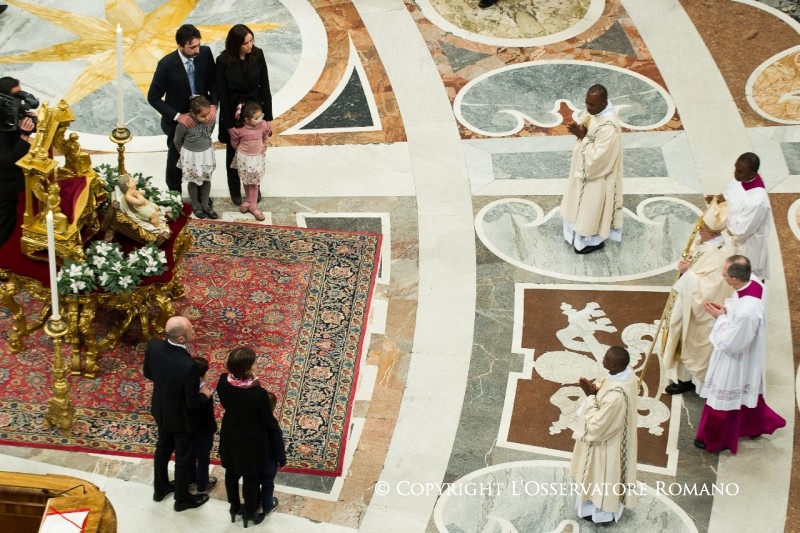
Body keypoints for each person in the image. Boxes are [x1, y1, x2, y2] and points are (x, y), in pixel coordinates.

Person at [694, 255, 785, 453]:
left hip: (735, 360)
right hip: (749, 351)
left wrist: (720, 318)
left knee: (722, 400)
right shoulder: (755, 283)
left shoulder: (746, 311)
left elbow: (731, 343)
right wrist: (727, 310)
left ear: (735, 279)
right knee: (746, 393)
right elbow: (740, 314)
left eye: (725, 275)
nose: (723, 277)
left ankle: (715, 440)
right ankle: (753, 426)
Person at [143, 316, 214, 512]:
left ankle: (160, 489)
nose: (194, 332)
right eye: (191, 330)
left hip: (161, 409)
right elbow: (192, 403)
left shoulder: (153, 345)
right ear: (181, 338)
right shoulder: (188, 365)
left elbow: (148, 373)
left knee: (163, 449)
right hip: (181, 419)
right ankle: (182, 500)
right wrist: (205, 395)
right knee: (184, 458)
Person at [662, 209, 736, 394]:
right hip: (686, 298)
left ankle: (690, 380)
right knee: (680, 334)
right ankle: (683, 376)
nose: (698, 231)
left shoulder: (721, 255)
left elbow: (709, 288)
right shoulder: (705, 242)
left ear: (713, 233)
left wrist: (687, 273)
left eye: (702, 229)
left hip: (701, 310)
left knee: (692, 341)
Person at [570, 346, 638, 526]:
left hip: (608, 444)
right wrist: (597, 390)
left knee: (602, 477)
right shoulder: (626, 375)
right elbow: (606, 390)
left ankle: (603, 515)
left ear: (613, 366)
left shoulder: (617, 396)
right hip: (614, 432)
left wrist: (590, 396)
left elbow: (596, 426)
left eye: (606, 359)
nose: (603, 360)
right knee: (599, 476)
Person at [217, 346, 284, 527]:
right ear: (246, 368)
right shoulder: (257, 394)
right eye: (254, 362)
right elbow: (267, 420)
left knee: (231, 473)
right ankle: (250, 512)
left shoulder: (223, 381)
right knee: (251, 477)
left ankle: (234, 507)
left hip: (230, 434)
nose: (256, 365)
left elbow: (225, 403)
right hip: (251, 440)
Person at [147, 24, 217, 194]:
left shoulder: (205, 53)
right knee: (175, 160)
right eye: (192, 47)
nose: (197, 50)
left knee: (200, 157)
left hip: (202, 118)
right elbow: (153, 97)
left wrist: (213, 105)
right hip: (177, 122)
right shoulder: (166, 64)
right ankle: (174, 196)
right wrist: (178, 116)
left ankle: (201, 197)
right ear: (180, 45)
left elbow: (214, 81)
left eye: (198, 45)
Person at [560, 84, 624, 254]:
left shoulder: (609, 127)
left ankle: (592, 241)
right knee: (577, 205)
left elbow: (598, 159)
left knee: (591, 211)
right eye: (586, 103)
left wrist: (582, 136)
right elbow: (586, 123)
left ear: (604, 102)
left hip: (597, 178)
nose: (588, 108)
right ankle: (574, 236)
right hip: (582, 171)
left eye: (592, 104)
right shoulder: (595, 112)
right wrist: (581, 129)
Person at [216, 24, 273, 206]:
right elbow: (223, 94)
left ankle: (254, 188)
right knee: (234, 153)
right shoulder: (222, 61)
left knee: (255, 150)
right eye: (245, 43)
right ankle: (235, 190)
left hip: (255, 108)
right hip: (234, 109)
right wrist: (229, 125)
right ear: (236, 44)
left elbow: (265, 86)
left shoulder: (258, 54)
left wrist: (268, 117)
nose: (250, 46)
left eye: (251, 41)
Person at [704, 153, 771, 280]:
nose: (735, 173)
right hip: (730, 236)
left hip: (746, 245)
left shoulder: (757, 201)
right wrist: (719, 199)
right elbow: (730, 196)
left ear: (752, 174)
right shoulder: (741, 178)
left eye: (739, 171)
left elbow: (740, 231)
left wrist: (723, 210)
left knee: (746, 279)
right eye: (735, 168)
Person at [0, 76, 35, 248]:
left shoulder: (7, 113)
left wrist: (26, 120)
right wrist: (24, 136)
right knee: (6, 223)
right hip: (4, 187)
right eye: (16, 96)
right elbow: (7, 161)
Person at [174, 95, 217, 219]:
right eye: (203, 116)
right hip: (191, 157)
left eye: (208, 114)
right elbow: (177, 140)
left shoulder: (210, 120)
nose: (207, 117)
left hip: (205, 154)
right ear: (193, 113)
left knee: (207, 179)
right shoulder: (185, 124)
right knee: (193, 181)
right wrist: (184, 154)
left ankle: (205, 204)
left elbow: (209, 133)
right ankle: (196, 204)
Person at [228, 101, 270, 221]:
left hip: (256, 158)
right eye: (256, 118)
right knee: (246, 180)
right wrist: (241, 151)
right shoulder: (240, 129)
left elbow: (265, 135)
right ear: (246, 120)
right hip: (244, 159)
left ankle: (253, 206)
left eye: (261, 116)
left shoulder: (263, 125)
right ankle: (247, 200)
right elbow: (235, 141)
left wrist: (264, 145)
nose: (260, 119)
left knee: (254, 183)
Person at [190, 356, 218, 495]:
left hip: (187, 429)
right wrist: (213, 428)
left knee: (189, 455)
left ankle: (190, 478)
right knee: (203, 458)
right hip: (202, 431)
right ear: (202, 375)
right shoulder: (205, 394)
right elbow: (208, 416)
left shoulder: (183, 387)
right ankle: (202, 485)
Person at [260, 391, 286, 519]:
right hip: (268, 462)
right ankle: (267, 507)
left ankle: (254, 502)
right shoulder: (273, 427)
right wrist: (282, 460)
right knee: (267, 484)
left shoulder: (251, 422)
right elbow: (278, 446)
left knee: (253, 482)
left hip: (252, 459)